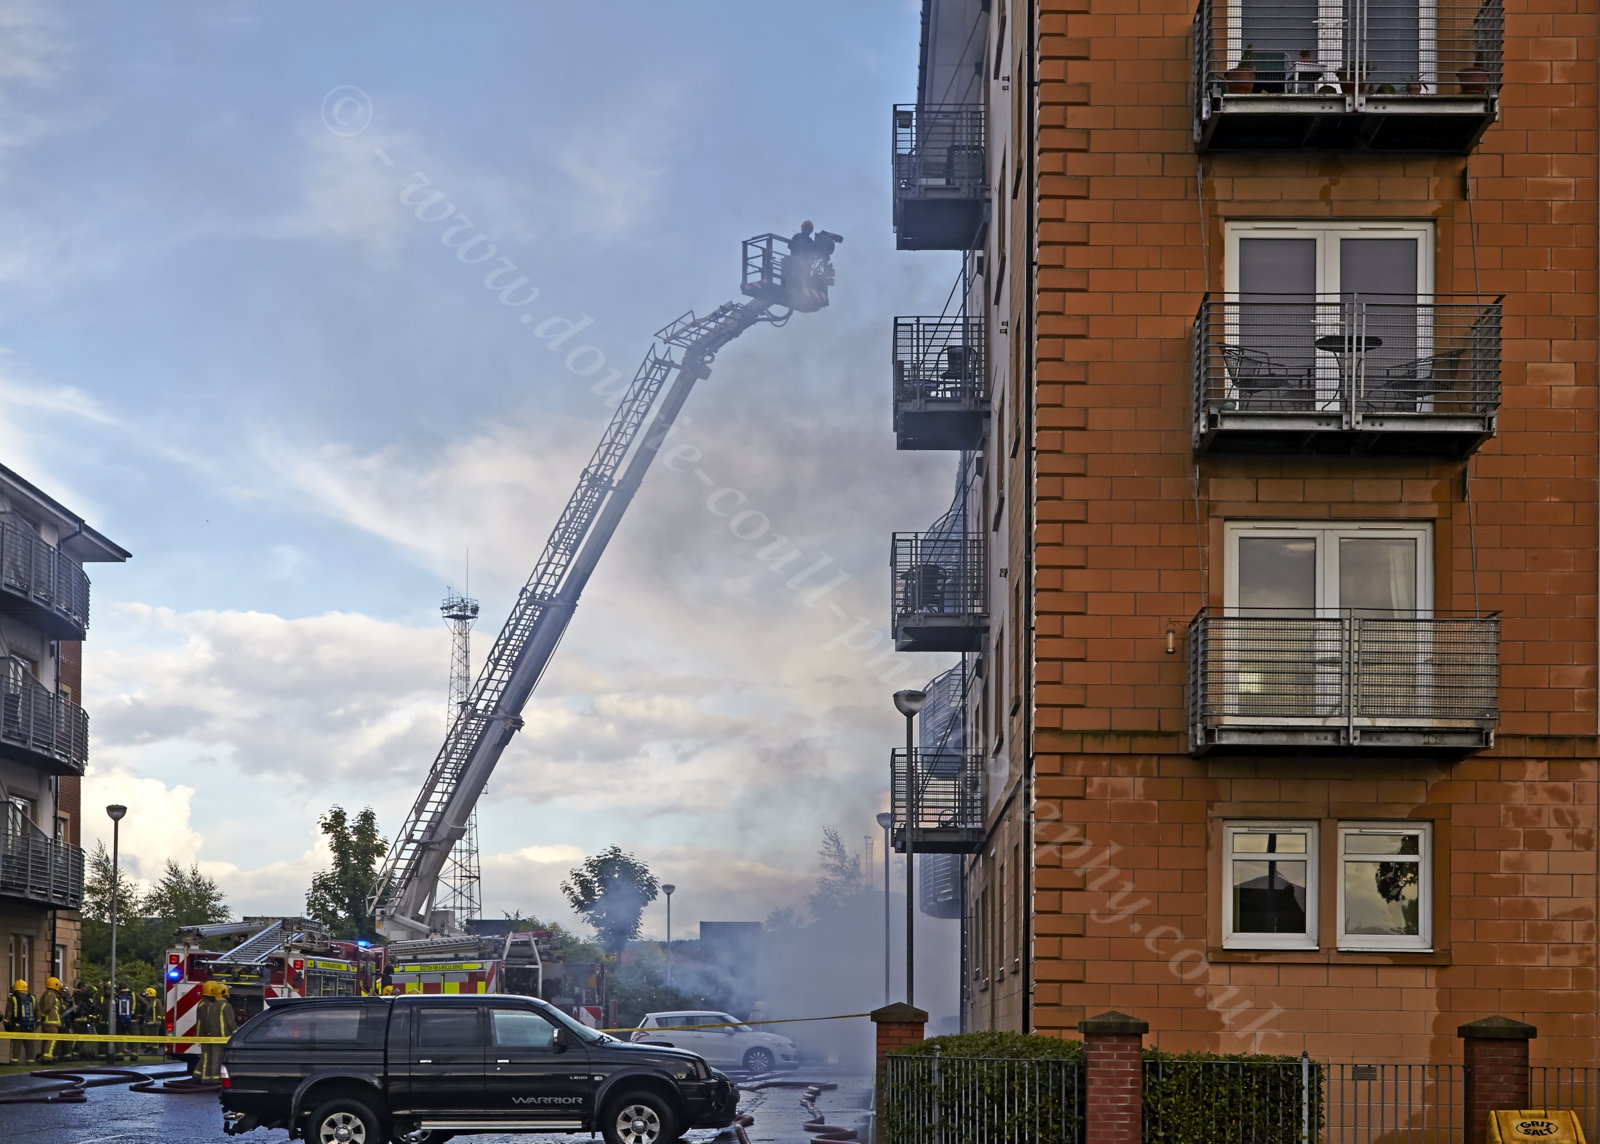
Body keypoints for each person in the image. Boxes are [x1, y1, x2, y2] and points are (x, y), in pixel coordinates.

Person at [5, 979, 35, 1065]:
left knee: (16, 1045)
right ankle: (31, 1062)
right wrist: (36, 1023)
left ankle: (14, 1062)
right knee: (30, 1045)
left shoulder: (13, 998)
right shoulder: (32, 998)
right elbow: (37, 1011)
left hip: (17, 1025)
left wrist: (6, 1023)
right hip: (30, 1025)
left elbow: (9, 1012)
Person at [35, 977, 65, 1063]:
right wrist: (43, 1016)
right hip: (51, 1021)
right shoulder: (51, 994)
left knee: (46, 1040)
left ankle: (43, 1056)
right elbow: (47, 1007)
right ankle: (47, 1058)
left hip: (46, 1021)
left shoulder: (45, 994)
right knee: (52, 1040)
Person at [138, 987, 159, 1055]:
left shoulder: (157, 1001)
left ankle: (155, 1049)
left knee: (154, 1036)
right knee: (147, 1035)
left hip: (154, 1023)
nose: (146, 995)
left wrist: (158, 1020)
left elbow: (160, 1011)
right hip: (147, 1022)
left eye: (147, 993)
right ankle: (148, 1048)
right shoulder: (147, 1001)